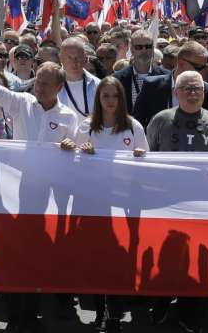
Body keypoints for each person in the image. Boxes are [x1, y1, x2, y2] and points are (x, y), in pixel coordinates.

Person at [0, 40, 78, 332]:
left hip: (49, 198)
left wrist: (71, 146)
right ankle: (15, 314)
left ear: (59, 87)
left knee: (42, 253)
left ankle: (37, 309)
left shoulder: (69, 117)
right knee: (15, 252)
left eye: (46, 84)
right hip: (17, 192)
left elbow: (78, 154)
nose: (39, 87)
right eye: (38, 81)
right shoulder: (22, 103)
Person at [146, 71, 208, 333]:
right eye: (187, 89)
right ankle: (160, 301)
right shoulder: (161, 120)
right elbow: (148, 157)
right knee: (167, 254)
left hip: (203, 204)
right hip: (166, 201)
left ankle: (191, 308)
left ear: (204, 93)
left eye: (197, 89)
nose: (192, 93)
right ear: (176, 92)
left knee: (198, 257)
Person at [66, 77, 147, 333]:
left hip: (123, 204)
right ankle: (100, 312)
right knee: (98, 259)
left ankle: (115, 314)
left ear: (121, 99)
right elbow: (73, 167)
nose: (110, 101)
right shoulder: (87, 127)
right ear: (98, 100)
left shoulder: (133, 127)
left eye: (115, 96)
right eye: (105, 96)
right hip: (94, 206)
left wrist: (139, 156)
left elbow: (146, 161)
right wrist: (83, 154)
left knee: (119, 261)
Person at [111, 30, 168, 112]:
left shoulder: (166, 77)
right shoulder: (117, 79)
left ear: (153, 48)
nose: (144, 51)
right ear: (131, 49)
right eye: (139, 47)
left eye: (148, 46)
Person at [58, 37, 100, 125]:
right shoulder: (51, 85)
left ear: (85, 57)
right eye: (69, 57)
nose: (74, 62)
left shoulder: (98, 85)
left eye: (78, 57)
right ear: (60, 58)